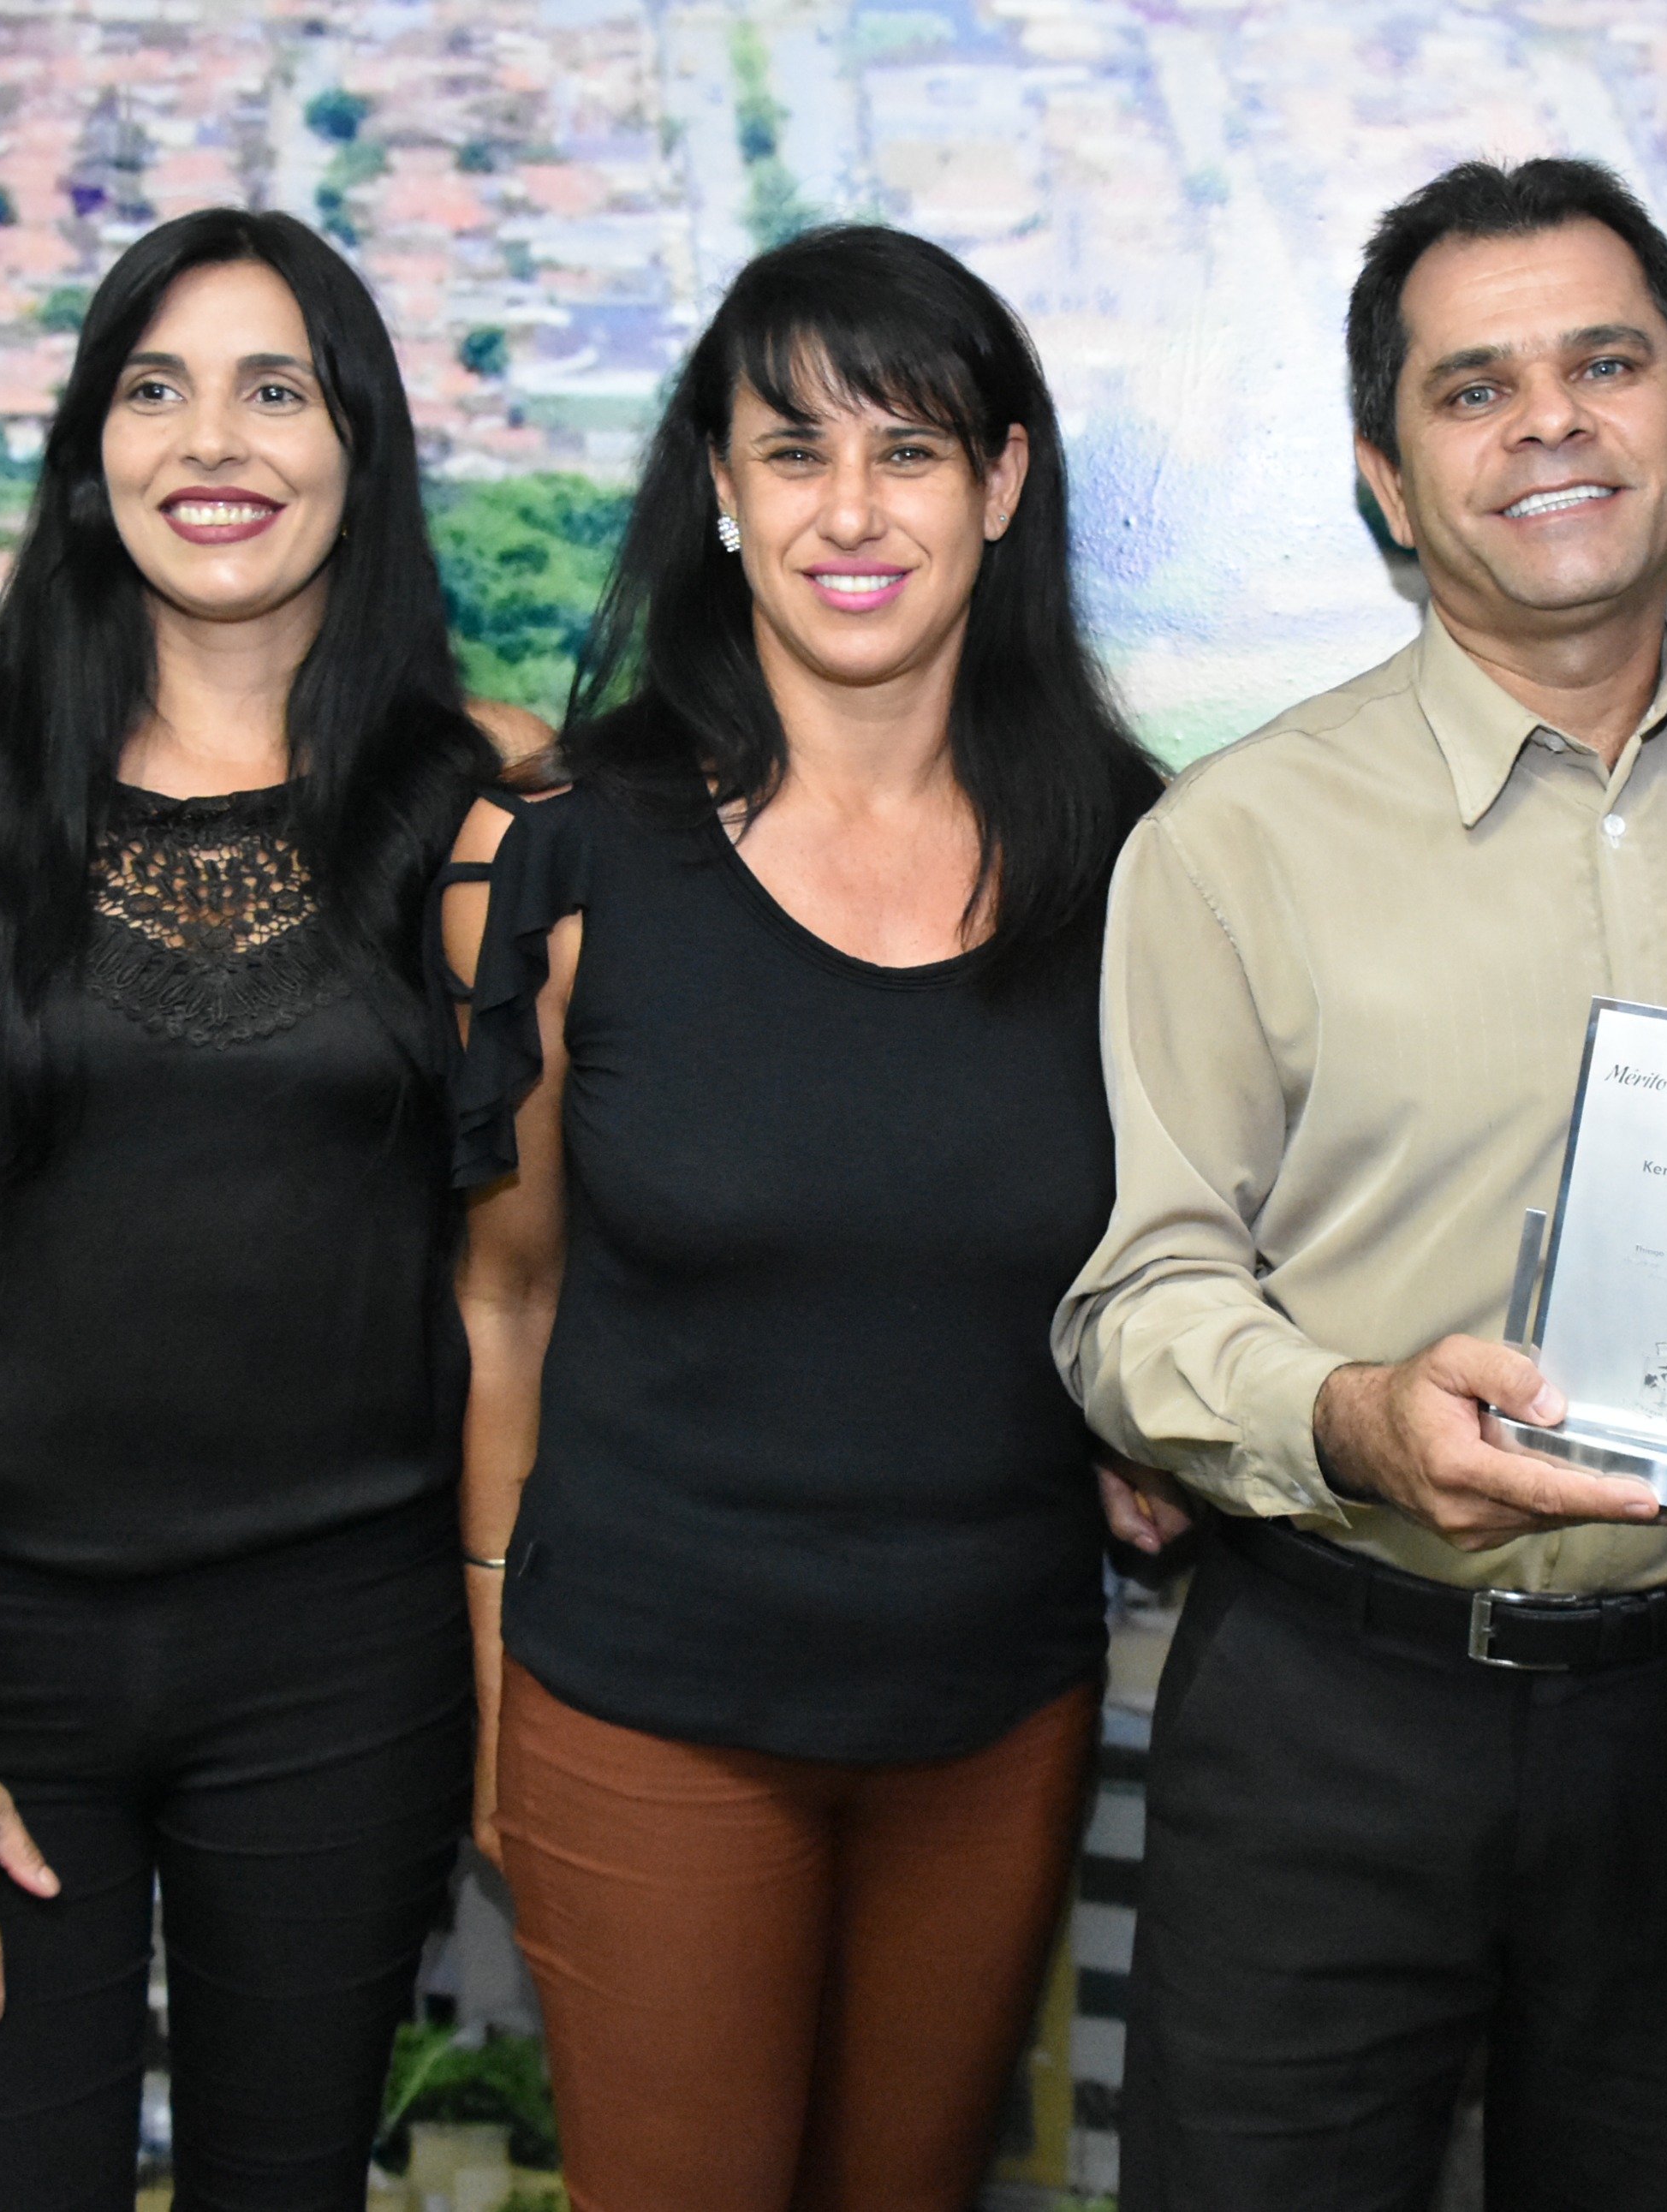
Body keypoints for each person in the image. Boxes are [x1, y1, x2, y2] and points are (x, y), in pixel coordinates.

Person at [1059, 158, 1667, 2209]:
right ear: (1385, 476)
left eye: (1605, 364)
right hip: (1330, 1701)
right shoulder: (1234, 837)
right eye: (1473, 387)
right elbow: (1136, 1303)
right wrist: (1348, 1413)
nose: (1548, 423)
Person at [0, 207, 546, 2210]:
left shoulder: (489, 795)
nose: (214, 441)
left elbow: (515, 1293)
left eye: (276, 389)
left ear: (357, 443)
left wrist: (498, 1683)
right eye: (156, 388)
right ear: (91, 449)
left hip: (345, 1661)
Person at [441, 224, 1161, 2212]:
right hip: (645, 1701)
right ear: (721, 491)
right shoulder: (559, 850)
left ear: (1000, 485)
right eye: (793, 451)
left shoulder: (1135, 859)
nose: (851, 509)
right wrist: (494, 1682)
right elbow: (501, 1305)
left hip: (995, 1703)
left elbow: (1167, 1258)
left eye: (908, 449)